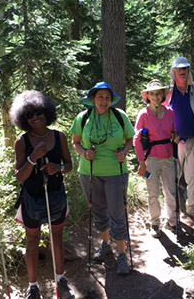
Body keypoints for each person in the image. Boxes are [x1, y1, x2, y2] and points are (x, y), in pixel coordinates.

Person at [10, 91, 75, 299]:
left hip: (55, 196)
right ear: (23, 119)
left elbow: (69, 165)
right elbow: (20, 177)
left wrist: (58, 167)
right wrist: (33, 157)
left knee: (56, 238)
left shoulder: (59, 137)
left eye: (38, 112)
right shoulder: (22, 142)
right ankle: (33, 286)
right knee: (32, 240)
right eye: (29, 115)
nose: (35, 117)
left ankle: (61, 279)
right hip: (31, 199)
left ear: (47, 112)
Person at [70, 82, 135, 274]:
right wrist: (83, 153)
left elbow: (130, 139)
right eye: (100, 97)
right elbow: (75, 142)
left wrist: (124, 152)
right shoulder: (83, 118)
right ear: (93, 99)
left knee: (117, 213)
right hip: (89, 172)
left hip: (116, 172)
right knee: (98, 210)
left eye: (107, 97)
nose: (104, 101)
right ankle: (106, 244)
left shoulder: (119, 116)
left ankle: (122, 254)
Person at [164, 57, 194, 222]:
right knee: (171, 178)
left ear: (188, 70)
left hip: (193, 141)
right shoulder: (167, 92)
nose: (182, 70)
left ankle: (193, 208)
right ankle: (171, 213)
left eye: (185, 67)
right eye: (179, 68)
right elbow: (159, 116)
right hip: (172, 144)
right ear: (174, 71)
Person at [134, 79, 177, 238]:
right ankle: (155, 223)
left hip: (168, 156)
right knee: (153, 192)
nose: (156, 96)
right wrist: (141, 163)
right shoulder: (143, 114)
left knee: (170, 190)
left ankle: (172, 220)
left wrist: (176, 138)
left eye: (158, 93)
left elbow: (174, 132)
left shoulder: (170, 112)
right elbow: (137, 140)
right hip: (151, 158)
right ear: (148, 96)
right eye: (152, 94)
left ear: (162, 95)